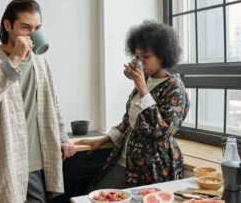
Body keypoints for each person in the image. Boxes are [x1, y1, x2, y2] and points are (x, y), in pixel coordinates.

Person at [0, 0, 75, 203]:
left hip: (34, 162)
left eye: (37, 28)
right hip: (1, 161)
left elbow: (53, 103)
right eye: (25, 27)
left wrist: (63, 137)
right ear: (8, 26)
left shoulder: (40, 61)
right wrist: (14, 59)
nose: (32, 34)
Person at [76, 21, 189, 189]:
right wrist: (105, 138)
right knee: (95, 193)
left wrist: (142, 88)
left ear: (163, 55)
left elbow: (162, 130)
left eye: (146, 57)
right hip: (126, 158)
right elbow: (129, 121)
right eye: (137, 57)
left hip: (155, 165)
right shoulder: (146, 81)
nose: (140, 62)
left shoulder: (174, 87)